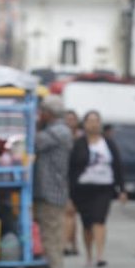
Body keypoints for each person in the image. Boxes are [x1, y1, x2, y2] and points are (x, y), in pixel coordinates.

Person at [68, 111, 126, 268]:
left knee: (99, 220)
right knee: (87, 223)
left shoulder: (108, 143)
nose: (93, 124)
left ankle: (100, 255)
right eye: (90, 121)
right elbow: (71, 168)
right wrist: (69, 193)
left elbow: (118, 166)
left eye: (96, 121)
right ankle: (89, 254)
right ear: (84, 124)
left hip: (104, 187)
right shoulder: (78, 144)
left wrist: (122, 189)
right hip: (83, 188)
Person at [35, 95, 74, 268]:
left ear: (48, 113)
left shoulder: (58, 132)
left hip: (51, 192)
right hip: (53, 192)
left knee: (50, 236)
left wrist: (34, 124)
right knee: (51, 235)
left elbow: (34, 142)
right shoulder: (60, 130)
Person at [62, 109, 82, 256]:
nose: (70, 122)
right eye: (67, 119)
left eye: (72, 119)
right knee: (70, 212)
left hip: (77, 178)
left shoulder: (80, 138)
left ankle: (68, 243)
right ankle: (72, 243)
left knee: (71, 212)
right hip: (63, 177)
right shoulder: (62, 137)